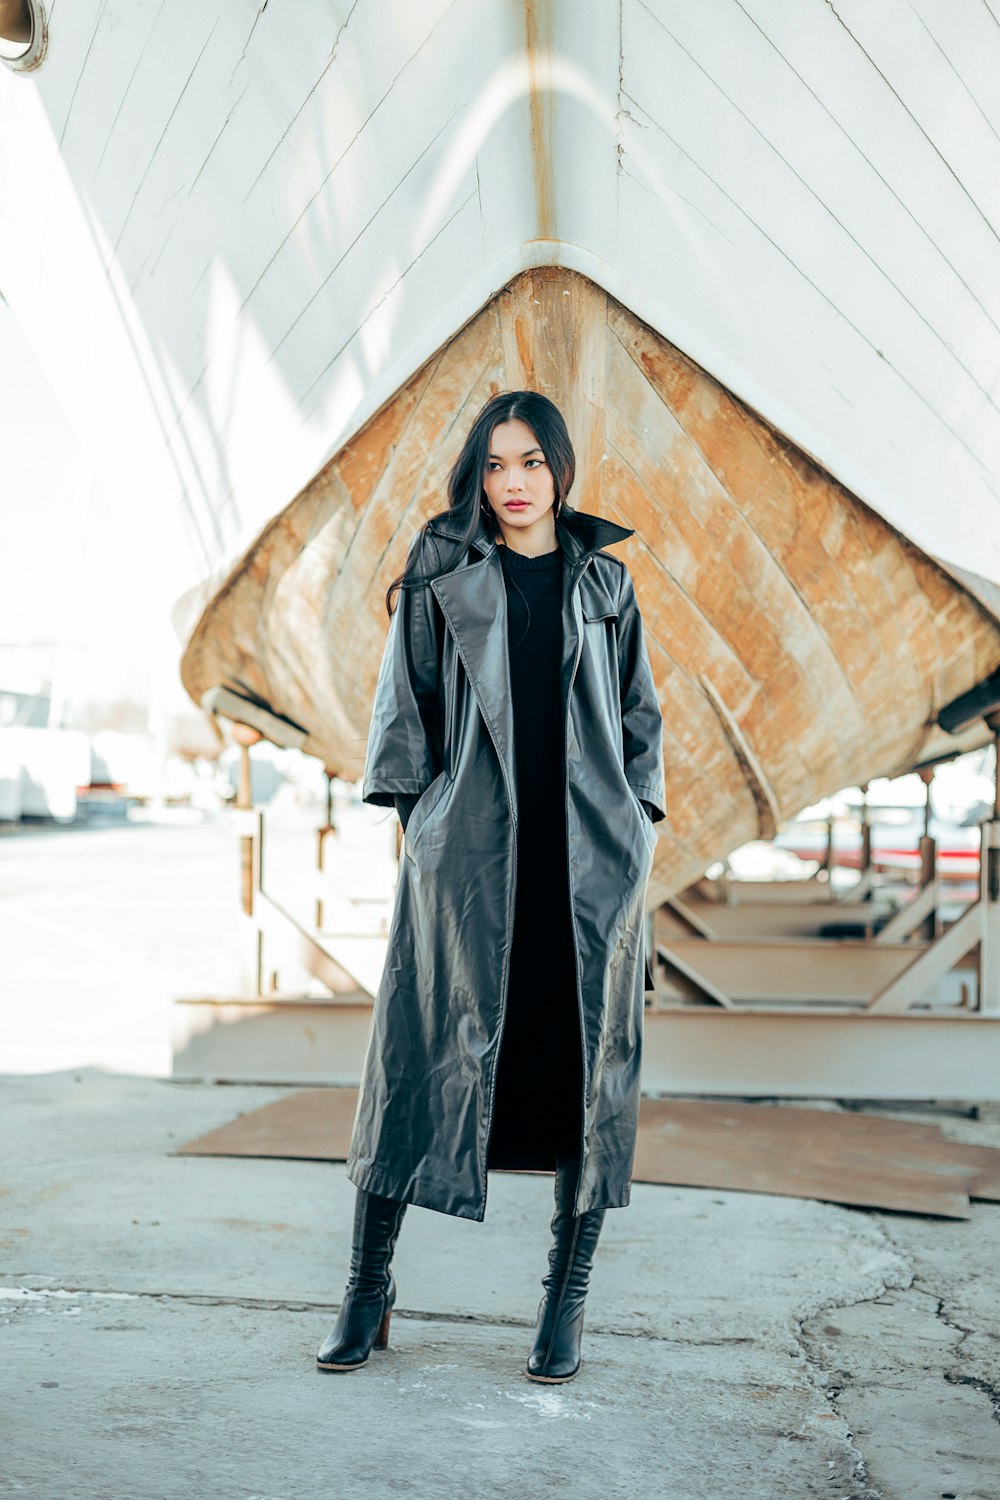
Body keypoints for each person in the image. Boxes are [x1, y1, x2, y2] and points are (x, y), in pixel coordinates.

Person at [316, 389, 665, 1382]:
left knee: (583, 1087)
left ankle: (565, 1303)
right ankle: (366, 1287)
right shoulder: (441, 564)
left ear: (560, 470)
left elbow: (641, 724)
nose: (511, 484)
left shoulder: (606, 582)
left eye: (530, 463)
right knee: (412, 1065)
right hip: (467, 859)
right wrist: (421, 826)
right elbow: (405, 705)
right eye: (495, 465)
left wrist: (637, 828)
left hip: (587, 871)